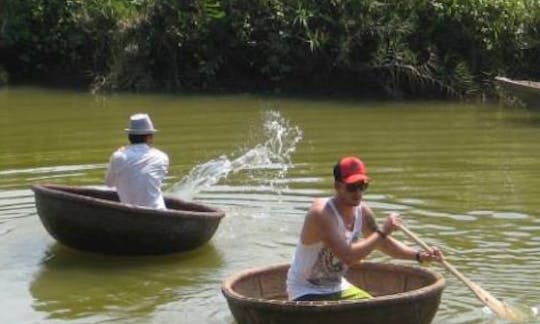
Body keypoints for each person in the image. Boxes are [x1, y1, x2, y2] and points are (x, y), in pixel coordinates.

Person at [286, 156, 443, 301]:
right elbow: (348, 257)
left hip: (337, 286)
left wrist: (420, 256)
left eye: (362, 186)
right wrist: (384, 230)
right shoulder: (321, 213)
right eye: (352, 187)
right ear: (337, 186)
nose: (358, 193)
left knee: (378, 310)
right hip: (305, 291)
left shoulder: (363, 212)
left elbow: (383, 244)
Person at [105, 113, 169, 210]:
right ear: (149, 137)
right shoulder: (161, 157)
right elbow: (154, 181)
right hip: (159, 212)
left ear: (129, 136)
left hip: (129, 213)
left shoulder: (118, 156)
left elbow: (109, 184)